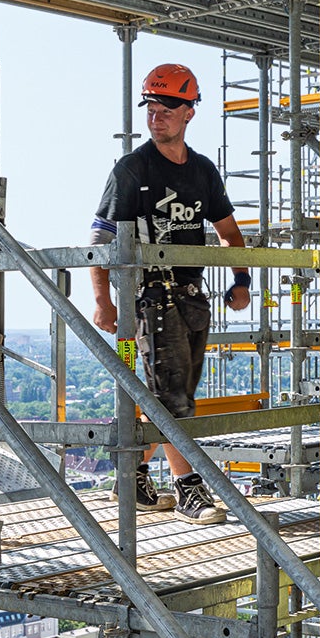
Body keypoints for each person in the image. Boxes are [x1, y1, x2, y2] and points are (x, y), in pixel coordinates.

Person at [89, 63, 252, 525]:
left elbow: (228, 232)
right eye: (151, 107)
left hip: (192, 298)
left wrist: (241, 282)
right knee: (171, 398)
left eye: (166, 108)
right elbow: (100, 240)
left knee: (168, 392)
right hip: (152, 297)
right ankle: (188, 489)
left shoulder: (201, 172)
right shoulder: (132, 169)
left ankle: (133, 477)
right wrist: (103, 299)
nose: (156, 115)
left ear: (189, 113)